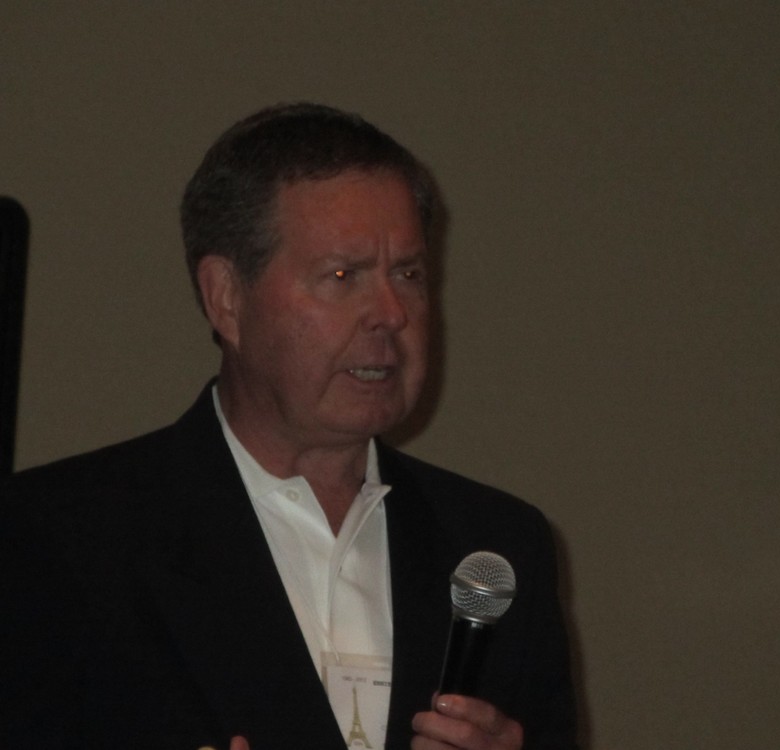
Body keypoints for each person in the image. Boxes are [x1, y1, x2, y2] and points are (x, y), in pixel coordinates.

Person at [0, 104, 577, 750]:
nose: (391, 313)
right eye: (343, 275)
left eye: (408, 274)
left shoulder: (498, 548)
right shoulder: (57, 541)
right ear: (226, 297)